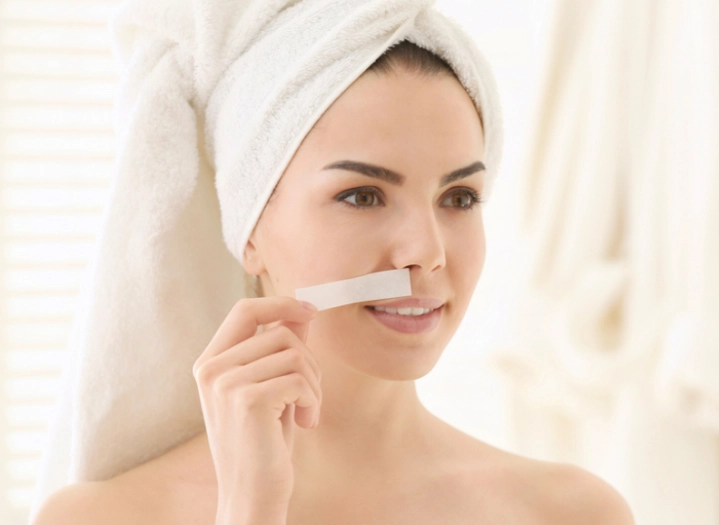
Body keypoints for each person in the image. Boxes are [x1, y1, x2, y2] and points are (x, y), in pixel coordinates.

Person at [30, 8, 634, 525]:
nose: (426, 252)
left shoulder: (570, 513)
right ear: (250, 230)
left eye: (459, 198)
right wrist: (249, 509)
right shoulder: (99, 517)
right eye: (363, 196)